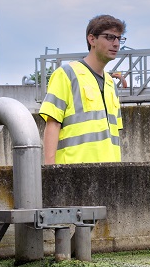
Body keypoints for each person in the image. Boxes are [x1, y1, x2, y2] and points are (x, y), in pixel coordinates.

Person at [40, 14, 126, 164]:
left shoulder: (111, 84)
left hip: (110, 173)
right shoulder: (67, 74)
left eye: (119, 38)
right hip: (73, 173)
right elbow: (53, 123)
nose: (116, 43)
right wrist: (50, 171)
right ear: (92, 39)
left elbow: (114, 134)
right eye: (110, 37)